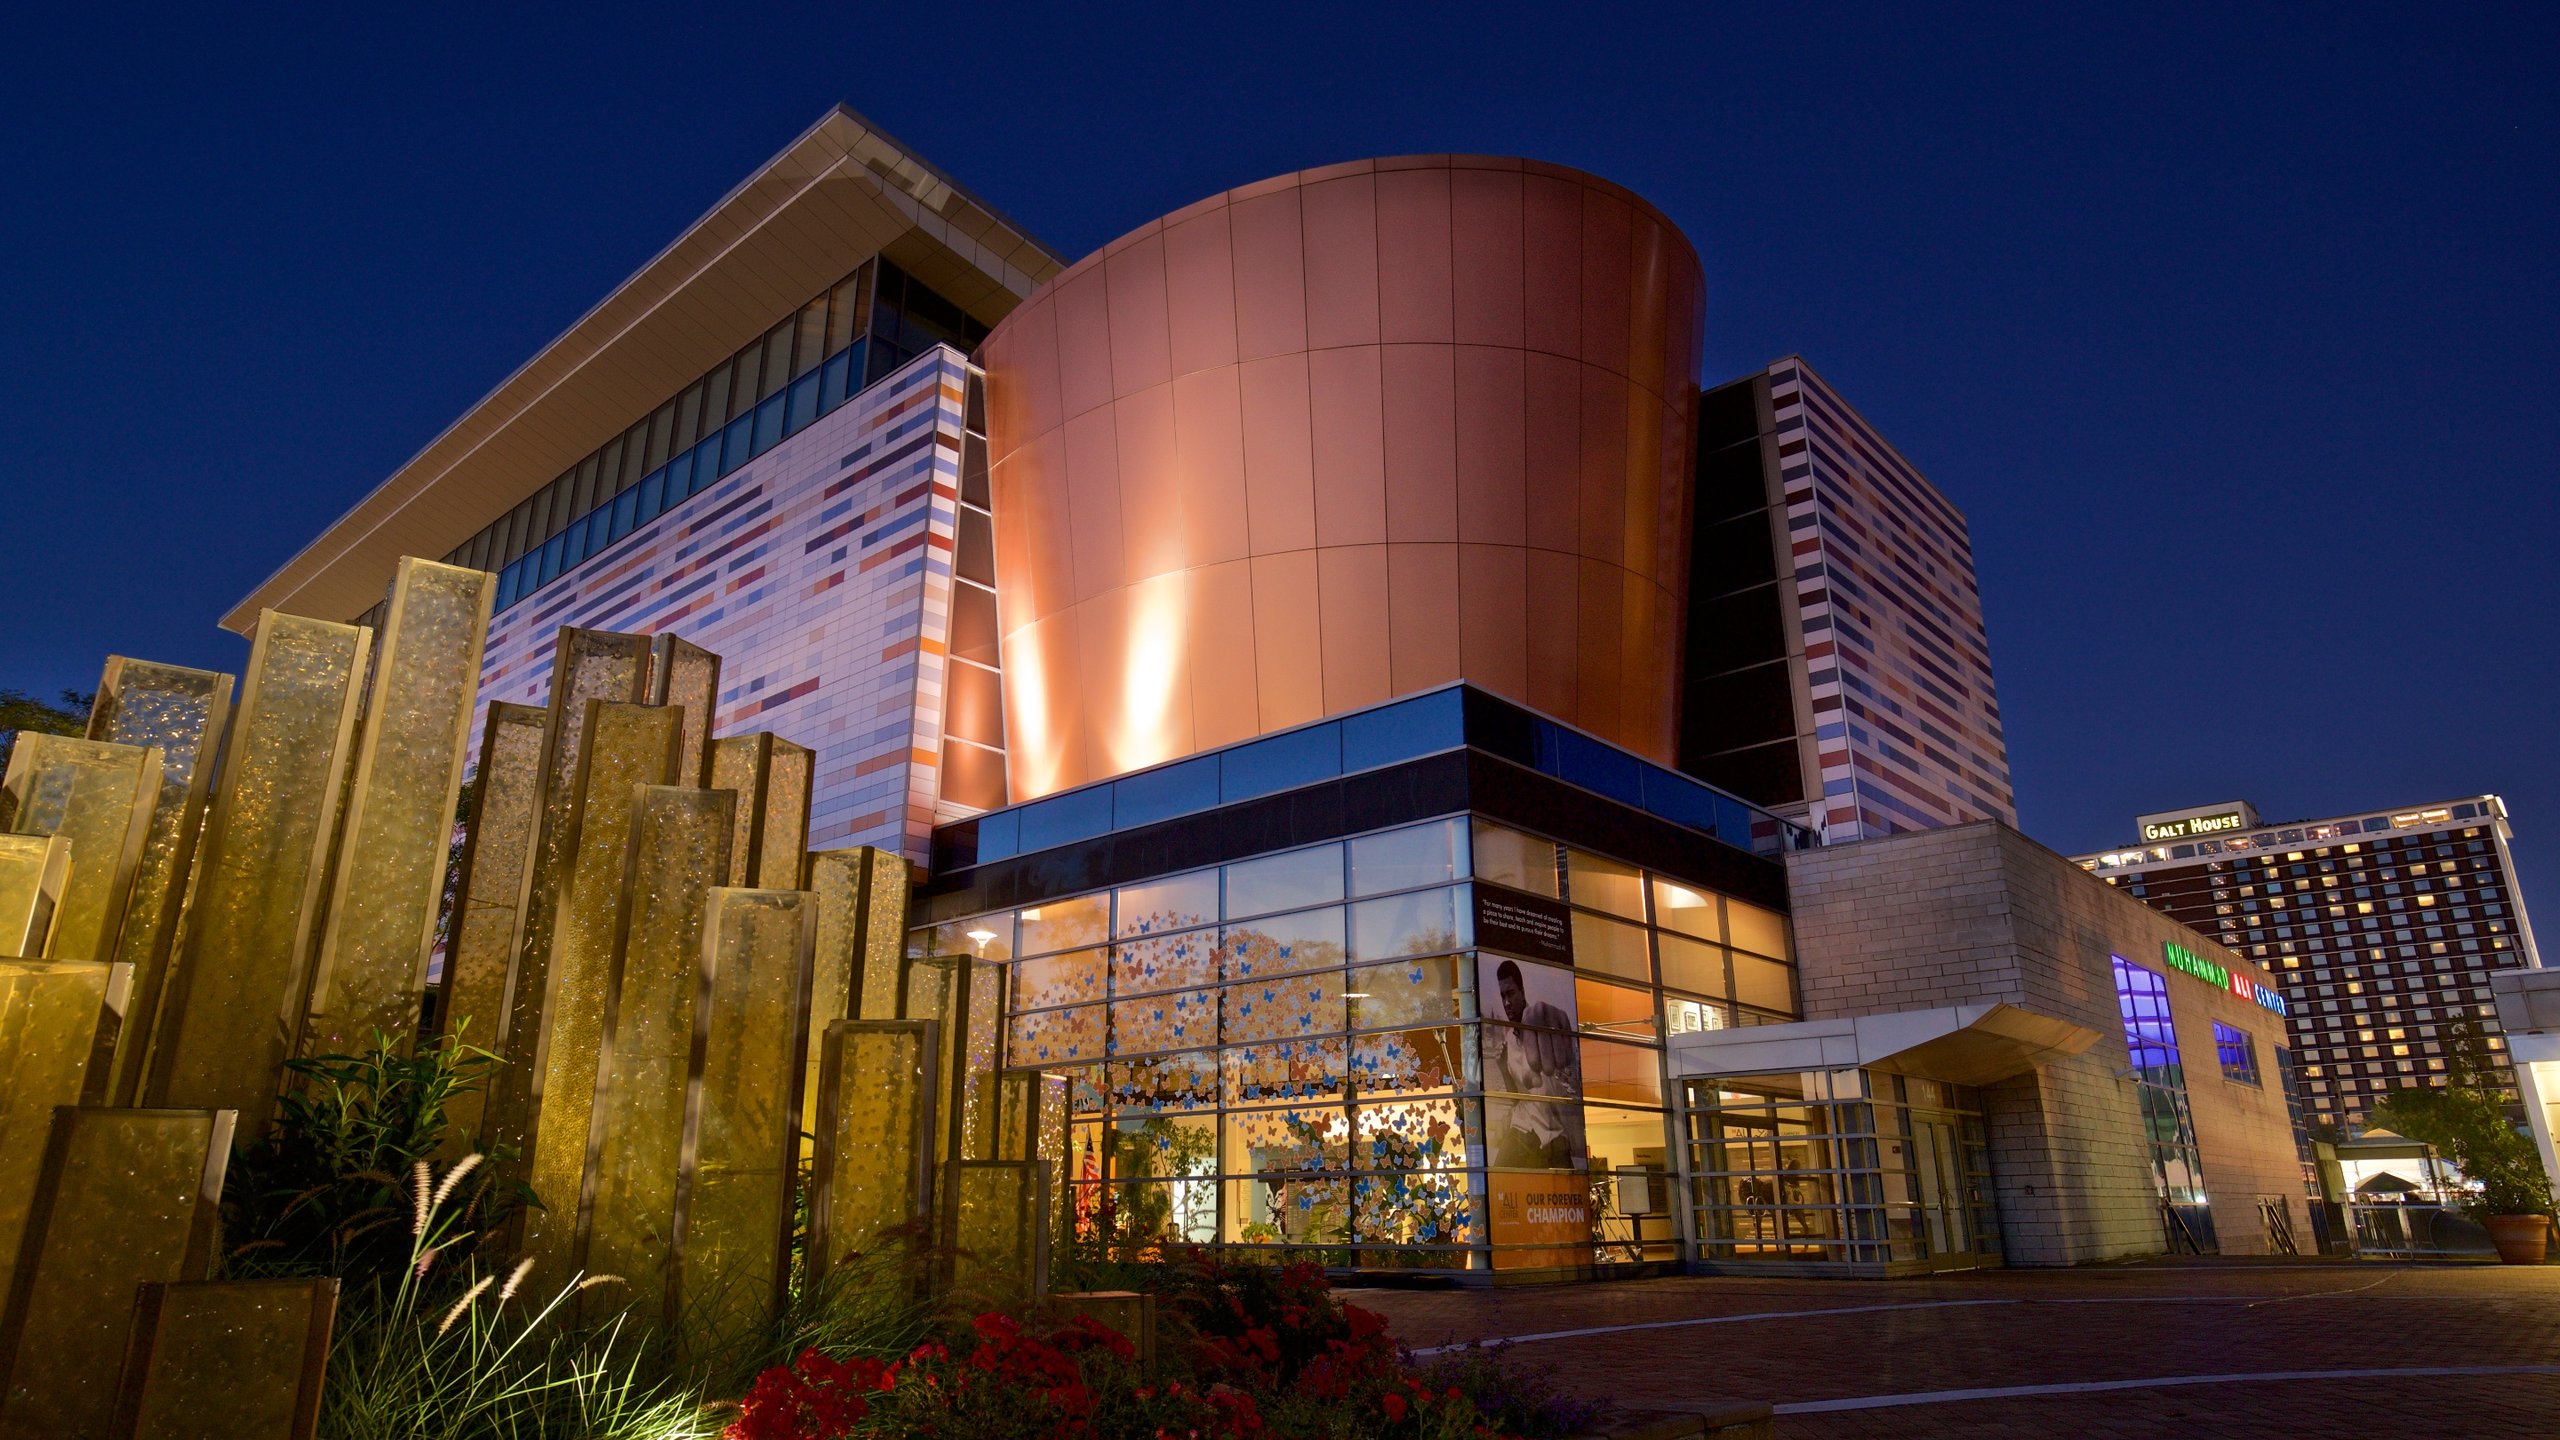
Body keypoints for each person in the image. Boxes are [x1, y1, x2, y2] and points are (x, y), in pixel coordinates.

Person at [1485, 959, 1580, 1168]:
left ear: (1522, 991)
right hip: (1521, 1131)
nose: (1507, 1003)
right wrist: (1503, 1068)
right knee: (1498, 1182)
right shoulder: (1509, 1040)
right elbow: (1516, 1096)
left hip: (1551, 1134)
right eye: (1503, 996)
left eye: (1510, 994)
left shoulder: (1540, 1026)